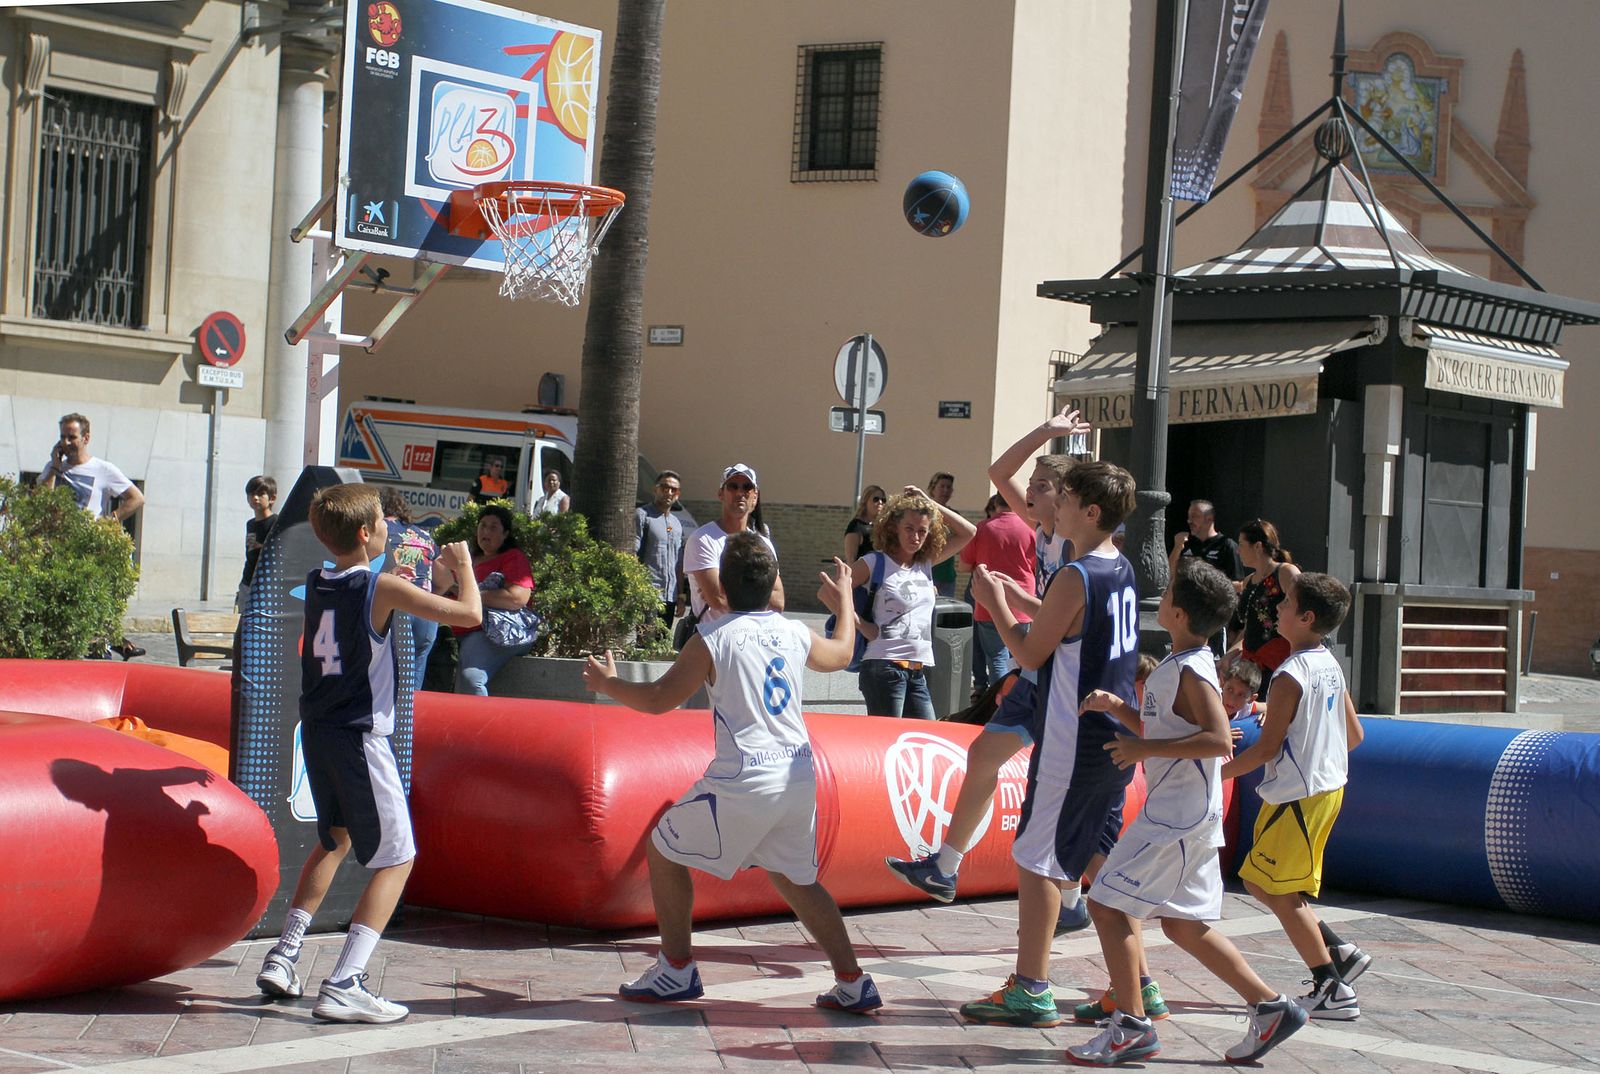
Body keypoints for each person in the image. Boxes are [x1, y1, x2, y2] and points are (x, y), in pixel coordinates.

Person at [581, 534, 882, 1013]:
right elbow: (844, 653)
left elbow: (660, 700)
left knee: (663, 849)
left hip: (747, 777)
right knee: (796, 880)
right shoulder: (792, 631)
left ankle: (676, 970)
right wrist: (845, 597)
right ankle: (853, 981)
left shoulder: (714, 638)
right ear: (772, 583)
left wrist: (608, 684)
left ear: (720, 583)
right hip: (799, 775)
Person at [254, 484, 480, 1023]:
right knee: (399, 859)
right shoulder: (380, 588)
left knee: (335, 838)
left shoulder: (318, 580)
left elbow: (360, 614)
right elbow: (469, 614)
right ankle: (346, 981)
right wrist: (465, 565)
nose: (388, 528)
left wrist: (404, 584)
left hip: (320, 728)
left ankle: (286, 954)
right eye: (382, 521)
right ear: (365, 533)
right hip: (361, 734)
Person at [1067, 559, 1308, 1065]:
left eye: (1168, 589)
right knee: (1182, 925)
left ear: (1175, 612)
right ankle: (1270, 1007)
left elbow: (1218, 739)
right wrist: (1120, 709)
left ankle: (1131, 1024)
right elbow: (1171, 730)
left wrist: (1141, 752)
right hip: (1188, 817)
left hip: (1175, 820)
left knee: (1108, 905)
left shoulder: (1192, 670)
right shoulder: (1181, 665)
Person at [885, 407, 1092, 932]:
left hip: (1061, 676)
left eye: (1042, 486)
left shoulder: (1073, 544)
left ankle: (1074, 903)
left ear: (1063, 499)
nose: (1028, 492)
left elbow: (1061, 617)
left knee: (1058, 792)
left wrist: (1005, 601)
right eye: (1035, 484)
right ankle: (946, 870)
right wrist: (1046, 432)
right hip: (1039, 668)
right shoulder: (1043, 531)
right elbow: (999, 472)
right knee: (983, 754)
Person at [958, 460, 1140, 1030]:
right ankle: (1135, 986)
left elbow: (1032, 654)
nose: (1054, 505)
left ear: (1090, 511)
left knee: (1035, 860)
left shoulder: (1076, 574)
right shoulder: (1123, 567)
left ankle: (1031, 987)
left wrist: (996, 600)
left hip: (1072, 739)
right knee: (1097, 863)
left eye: (1065, 498)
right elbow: (1070, 633)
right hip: (1111, 740)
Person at [1223, 572, 1371, 1022]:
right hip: (1322, 790)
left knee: (1282, 893)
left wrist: (1217, 776)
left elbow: (1266, 748)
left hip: (1298, 796)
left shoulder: (1290, 674)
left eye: (1285, 603)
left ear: (1306, 617)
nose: (1276, 609)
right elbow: (1355, 734)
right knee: (1257, 880)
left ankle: (1331, 987)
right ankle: (1338, 952)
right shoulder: (1329, 661)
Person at [851, 487, 975, 719]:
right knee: (888, 743)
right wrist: (860, 624)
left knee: (922, 739)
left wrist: (929, 502)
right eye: (909, 529)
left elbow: (969, 532)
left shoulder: (925, 564)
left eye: (922, 531)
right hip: (884, 666)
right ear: (893, 528)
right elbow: (829, 591)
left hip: (917, 670)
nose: (915, 537)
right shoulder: (874, 562)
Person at [39, 412, 146, 659]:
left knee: (88, 607)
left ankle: (102, 653)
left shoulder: (102, 469)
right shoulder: (54, 469)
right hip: (58, 552)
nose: (66, 442)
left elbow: (136, 498)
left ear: (85, 438)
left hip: (88, 553)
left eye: (72, 437)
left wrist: (110, 521)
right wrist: (54, 467)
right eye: (62, 437)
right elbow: (42, 502)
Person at [448, 504, 536, 695]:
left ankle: (483, 724)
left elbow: (517, 598)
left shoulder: (513, 557)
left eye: (493, 527)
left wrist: (471, 595)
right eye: (482, 525)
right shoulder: (468, 561)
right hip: (459, 634)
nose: (486, 531)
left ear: (505, 534)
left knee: (471, 679)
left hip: (493, 632)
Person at [684, 464, 784, 629]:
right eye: (733, 486)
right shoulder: (703, 539)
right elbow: (718, 601)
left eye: (747, 487)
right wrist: (757, 593)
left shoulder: (764, 544)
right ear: (721, 494)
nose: (740, 493)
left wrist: (725, 584)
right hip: (714, 643)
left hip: (754, 641)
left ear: (755, 496)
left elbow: (778, 603)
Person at [959, 496, 1034, 696]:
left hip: (988, 602)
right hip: (1023, 602)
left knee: (997, 657)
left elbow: (964, 566)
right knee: (1020, 657)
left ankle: (998, 705)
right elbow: (1037, 565)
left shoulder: (982, 528)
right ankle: (1018, 700)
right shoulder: (1030, 528)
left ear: (995, 505)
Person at [379, 487, 440, 693]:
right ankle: (410, 723)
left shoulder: (379, 531)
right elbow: (444, 576)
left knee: (387, 679)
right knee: (413, 686)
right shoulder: (424, 535)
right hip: (426, 611)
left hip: (394, 609)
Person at [1229, 519, 1302, 684]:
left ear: (1257, 546)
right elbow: (1250, 628)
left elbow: (1304, 610)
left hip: (1281, 662)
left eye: (1241, 544)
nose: (1238, 551)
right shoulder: (1248, 582)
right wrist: (1229, 655)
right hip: (1253, 669)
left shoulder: (1285, 572)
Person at [636, 470, 696, 626]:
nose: (669, 493)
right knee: (644, 645)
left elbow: (679, 562)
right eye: (664, 487)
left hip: (670, 596)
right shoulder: (642, 515)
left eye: (673, 490)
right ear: (655, 489)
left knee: (662, 644)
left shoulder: (676, 523)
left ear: (678, 494)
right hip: (648, 594)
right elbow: (633, 554)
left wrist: (681, 597)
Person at [1167, 499, 1246, 582]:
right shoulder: (1184, 543)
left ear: (1209, 519)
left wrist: (1210, 586)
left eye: (1194, 516)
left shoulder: (1227, 545)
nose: (1189, 521)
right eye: (1189, 517)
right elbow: (1168, 575)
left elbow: (1239, 584)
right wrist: (1177, 547)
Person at [237, 475, 278, 610]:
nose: (255, 498)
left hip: (266, 583)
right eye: (251, 494)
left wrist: (261, 547)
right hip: (247, 580)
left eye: (261, 494)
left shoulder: (276, 522)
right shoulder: (250, 524)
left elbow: (279, 552)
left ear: (272, 498)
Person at [927, 472, 958, 597]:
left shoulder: (954, 516)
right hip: (928, 572)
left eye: (948, 487)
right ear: (933, 489)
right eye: (942, 486)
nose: (945, 490)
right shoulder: (924, 511)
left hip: (947, 576)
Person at [843, 484, 887, 562]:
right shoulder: (856, 526)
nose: (880, 502)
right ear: (865, 501)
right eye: (876, 499)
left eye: (883, 500)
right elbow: (851, 559)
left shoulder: (884, 526)